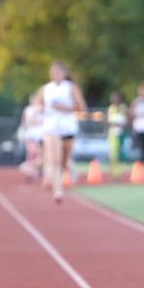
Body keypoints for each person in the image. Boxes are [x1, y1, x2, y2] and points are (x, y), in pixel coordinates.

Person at [40, 60, 87, 203]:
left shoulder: (71, 88)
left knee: (64, 160)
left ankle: (65, 171)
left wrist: (64, 108)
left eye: (58, 72)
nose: (56, 75)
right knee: (54, 158)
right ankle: (57, 189)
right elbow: (39, 104)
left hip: (67, 127)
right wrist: (38, 111)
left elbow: (82, 108)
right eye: (53, 72)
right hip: (51, 127)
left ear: (64, 74)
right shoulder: (46, 89)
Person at [18, 91, 44, 182]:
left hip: (41, 135)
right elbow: (27, 122)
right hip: (31, 135)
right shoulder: (28, 110)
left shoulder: (42, 109)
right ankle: (31, 172)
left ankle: (37, 170)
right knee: (31, 153)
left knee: (40, 154)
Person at [106, 91, 128, 181]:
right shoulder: (111, 108)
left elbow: (125, 121)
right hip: (113, 135)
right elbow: (109, 121)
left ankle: (121, 173)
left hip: (122, 134)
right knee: (113, 155)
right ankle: (115, 174)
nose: (114, 99)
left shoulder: (123, 108)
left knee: (121, 155)